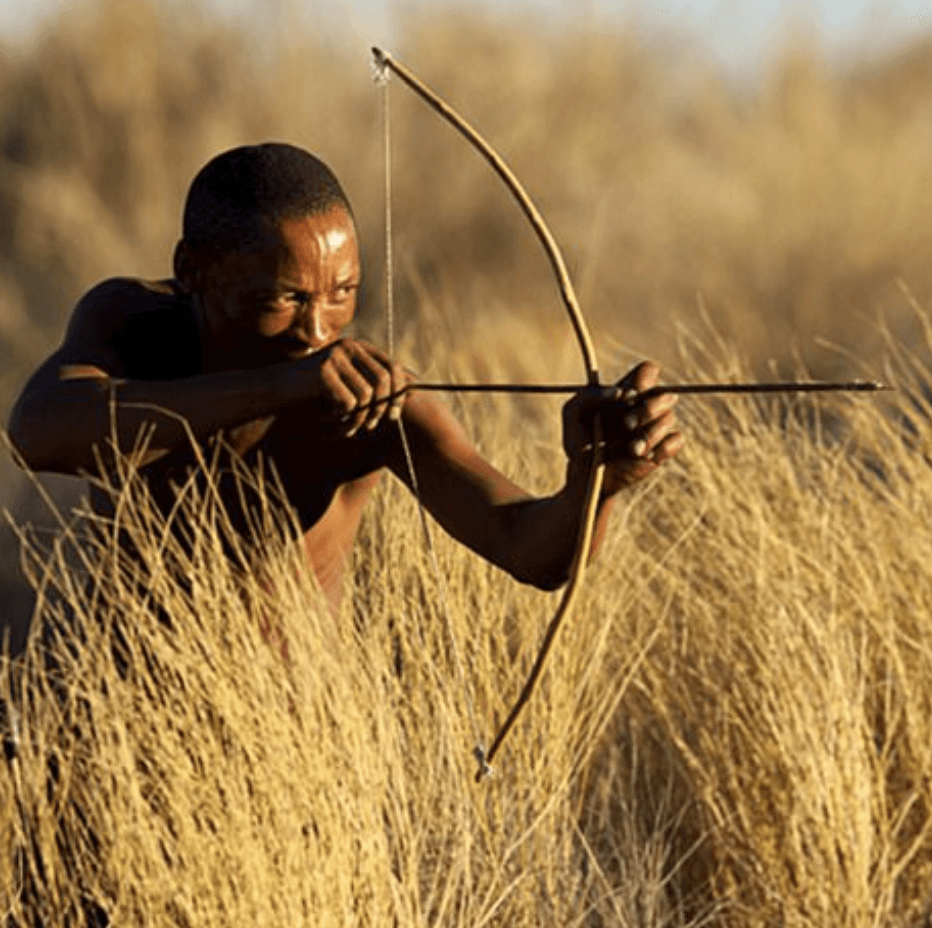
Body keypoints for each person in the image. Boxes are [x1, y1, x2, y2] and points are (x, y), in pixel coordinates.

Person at [7, 142, 683, 612]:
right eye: (282, 299)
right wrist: (282, 388)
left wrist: (598, 484)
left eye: (342, 293)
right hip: (118, 741)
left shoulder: (375, 404)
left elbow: (527, 549)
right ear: (194, 271)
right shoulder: (134, 323)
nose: (318, 329)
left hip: (294, 757)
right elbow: (37, 433)